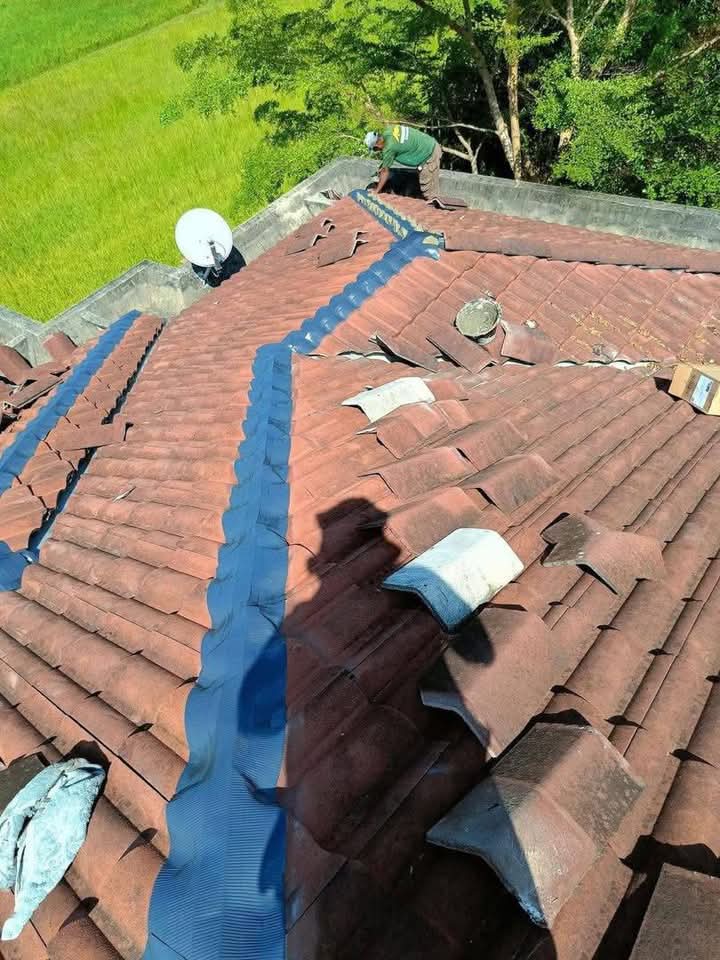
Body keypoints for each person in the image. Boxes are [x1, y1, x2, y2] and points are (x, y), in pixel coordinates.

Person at [364, 125, 443, 200]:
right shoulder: (388, 131)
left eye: (375, 149)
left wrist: (376, 191)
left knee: (429, 193)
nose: (377, 151)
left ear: (377, 145)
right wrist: (382, 166)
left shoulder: (389, 148)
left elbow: (385, 171)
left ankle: (436, 208)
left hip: (429, 154)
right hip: (430, 143)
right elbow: (388, 159)